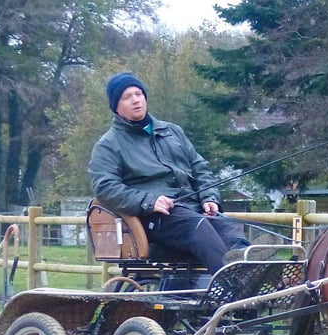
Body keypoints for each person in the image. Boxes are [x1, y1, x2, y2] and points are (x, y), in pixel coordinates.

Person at [88, 72, 247, 273]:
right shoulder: (109, 145)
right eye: (127, 97)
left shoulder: (172, 132)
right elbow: (104, 187)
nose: (136, 100)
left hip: (192, 208)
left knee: (228, 227)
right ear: (116, 106)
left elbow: (200, 167)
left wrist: (209, 197)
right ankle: (231, 284)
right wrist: (148, 201)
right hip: (154, 216)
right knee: (197, 226)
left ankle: (253, 271)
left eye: (138, 94)